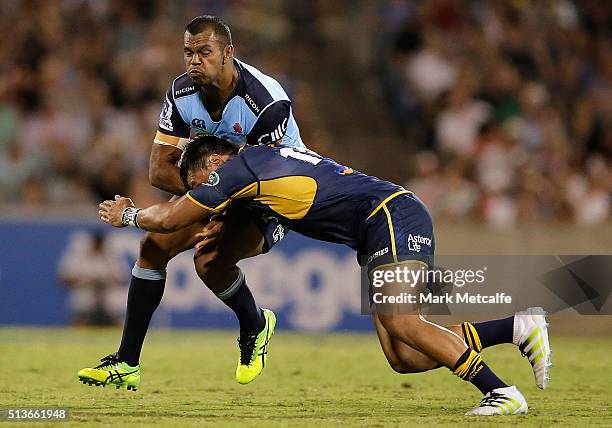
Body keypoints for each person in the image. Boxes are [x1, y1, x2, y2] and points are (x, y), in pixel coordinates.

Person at [93, 135, 551, 415]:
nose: (203, 198)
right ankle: (517, 327)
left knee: (403, 322)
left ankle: (500, 392)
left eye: (198, 186)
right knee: (403, 357)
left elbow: (173, 219)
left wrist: (130, 215)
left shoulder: (237, 169)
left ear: (213, 165)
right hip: (376, 228)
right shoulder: (262, 163)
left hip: (391, 214)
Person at [78, 15, 304, 389]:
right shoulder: (181, 94)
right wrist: (211, 203)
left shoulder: (265, 102)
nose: (194, 61)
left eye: (204, 52)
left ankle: (255, 323)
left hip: (276, 197)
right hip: (221, 193)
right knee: (153, 247)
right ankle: (127, 363)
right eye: (188, 53)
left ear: (228, 52)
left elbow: (271, 180)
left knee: (209, 261)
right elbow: (158, 170)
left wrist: (219, 206)